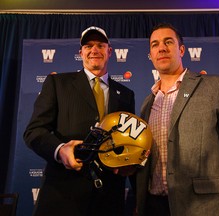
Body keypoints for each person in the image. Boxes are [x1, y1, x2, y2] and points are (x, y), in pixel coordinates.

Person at [136, 23, 219, 216]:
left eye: (168, 42)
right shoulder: (147, 104)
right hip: (155, 207)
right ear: (150, 55)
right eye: (155, 44)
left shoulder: (215, 87)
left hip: (208, 208)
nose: (162, 48)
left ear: (182, 49)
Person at [23, 26, 135, 216]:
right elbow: (34, 131)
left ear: (109, 51)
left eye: (100, 45)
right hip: (63, 195)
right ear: (80, 52)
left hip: (109, 197)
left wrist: (129, 161)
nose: (94, 50)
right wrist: (60, 150)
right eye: (88, 45)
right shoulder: (58, 84)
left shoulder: (126, 94)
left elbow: (126, 141)